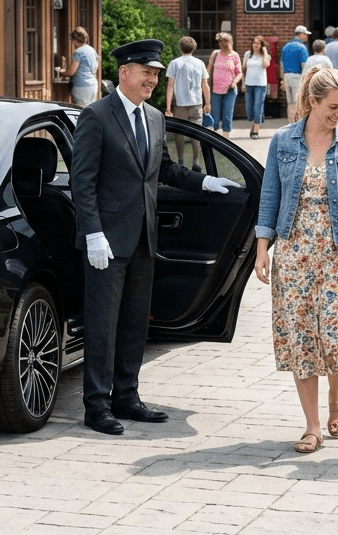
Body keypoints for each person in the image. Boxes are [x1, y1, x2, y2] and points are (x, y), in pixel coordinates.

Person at [72, 38, 240, 435]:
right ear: (124, 73)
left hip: (144, 238)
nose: (152, 79)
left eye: (155, 73)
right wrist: (93, 233)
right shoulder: (97, 116)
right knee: (102, 325)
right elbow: (83, 182)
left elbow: (164, 169)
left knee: (134, 323)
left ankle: (126, 398)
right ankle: (96, 407)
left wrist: (205, 182)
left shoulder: (153, 117)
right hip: (107, 242)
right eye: (146, 72)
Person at [254, 67, 338, 453]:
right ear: (313, 101)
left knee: (335, 335)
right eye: (333, 107)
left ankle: (337, 397)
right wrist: (261, 249)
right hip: (294, 252)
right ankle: (312, 425)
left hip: (337, 254)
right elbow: (269, 197)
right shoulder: (283, 140)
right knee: (302, 337)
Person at [165, 36, 209, 169]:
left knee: (179, 133)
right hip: (196, 103)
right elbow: (205, 84)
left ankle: (181, 160)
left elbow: (170, 85)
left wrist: (168, 107)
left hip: (180, 104)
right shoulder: (200, 63)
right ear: (194, 48)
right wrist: (207, 102)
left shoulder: (174, 63)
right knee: (197, 133)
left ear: (180, 48)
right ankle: (196, 162)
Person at [207, 32, 242, 138]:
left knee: (227, 115)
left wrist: (235, 82)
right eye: (221, 41)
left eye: (225, 41)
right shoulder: (215, 54)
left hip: (229, 90)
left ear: (231, 42)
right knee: (215, 116)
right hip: (215, 90)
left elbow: (239, 73)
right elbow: (208, 69)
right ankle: (216, 138)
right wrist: (205, 83)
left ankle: (226, 139)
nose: (223, 43)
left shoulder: (234, 55)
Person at [279, 25, 309, 123]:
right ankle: (298, 124)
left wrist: (282, 80)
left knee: (290, 103)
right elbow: (305, 65)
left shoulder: (286, 46)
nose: (306, 37)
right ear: (300, 34)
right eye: (305, 34)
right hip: (298, 76)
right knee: (298, 102)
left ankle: (291, 123)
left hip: (287, 76)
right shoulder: (302, 47)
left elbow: (281, 65)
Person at [242, 36, 271, 138]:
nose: (255, 45)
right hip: (249, 84)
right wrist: (242, 83)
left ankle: (256, 131)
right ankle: (253, 125)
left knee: (257, 108)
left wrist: (265, 52)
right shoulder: (247, 54)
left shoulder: (266, 56)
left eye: (258, 43)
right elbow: (243, 69)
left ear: (262, 45)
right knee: (249, 109)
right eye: (254, 43)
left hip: (260, 85)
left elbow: (265, 65)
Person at [63, 27, 99, 107]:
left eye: (72, 40)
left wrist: (61, 72)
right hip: (93, 85)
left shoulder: (78, 52)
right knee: (90, 109)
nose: (72, 43)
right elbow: (96, 68)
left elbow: (71, 72)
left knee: (81, 110)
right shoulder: (92, 50)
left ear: (75, 40)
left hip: (81, 86)